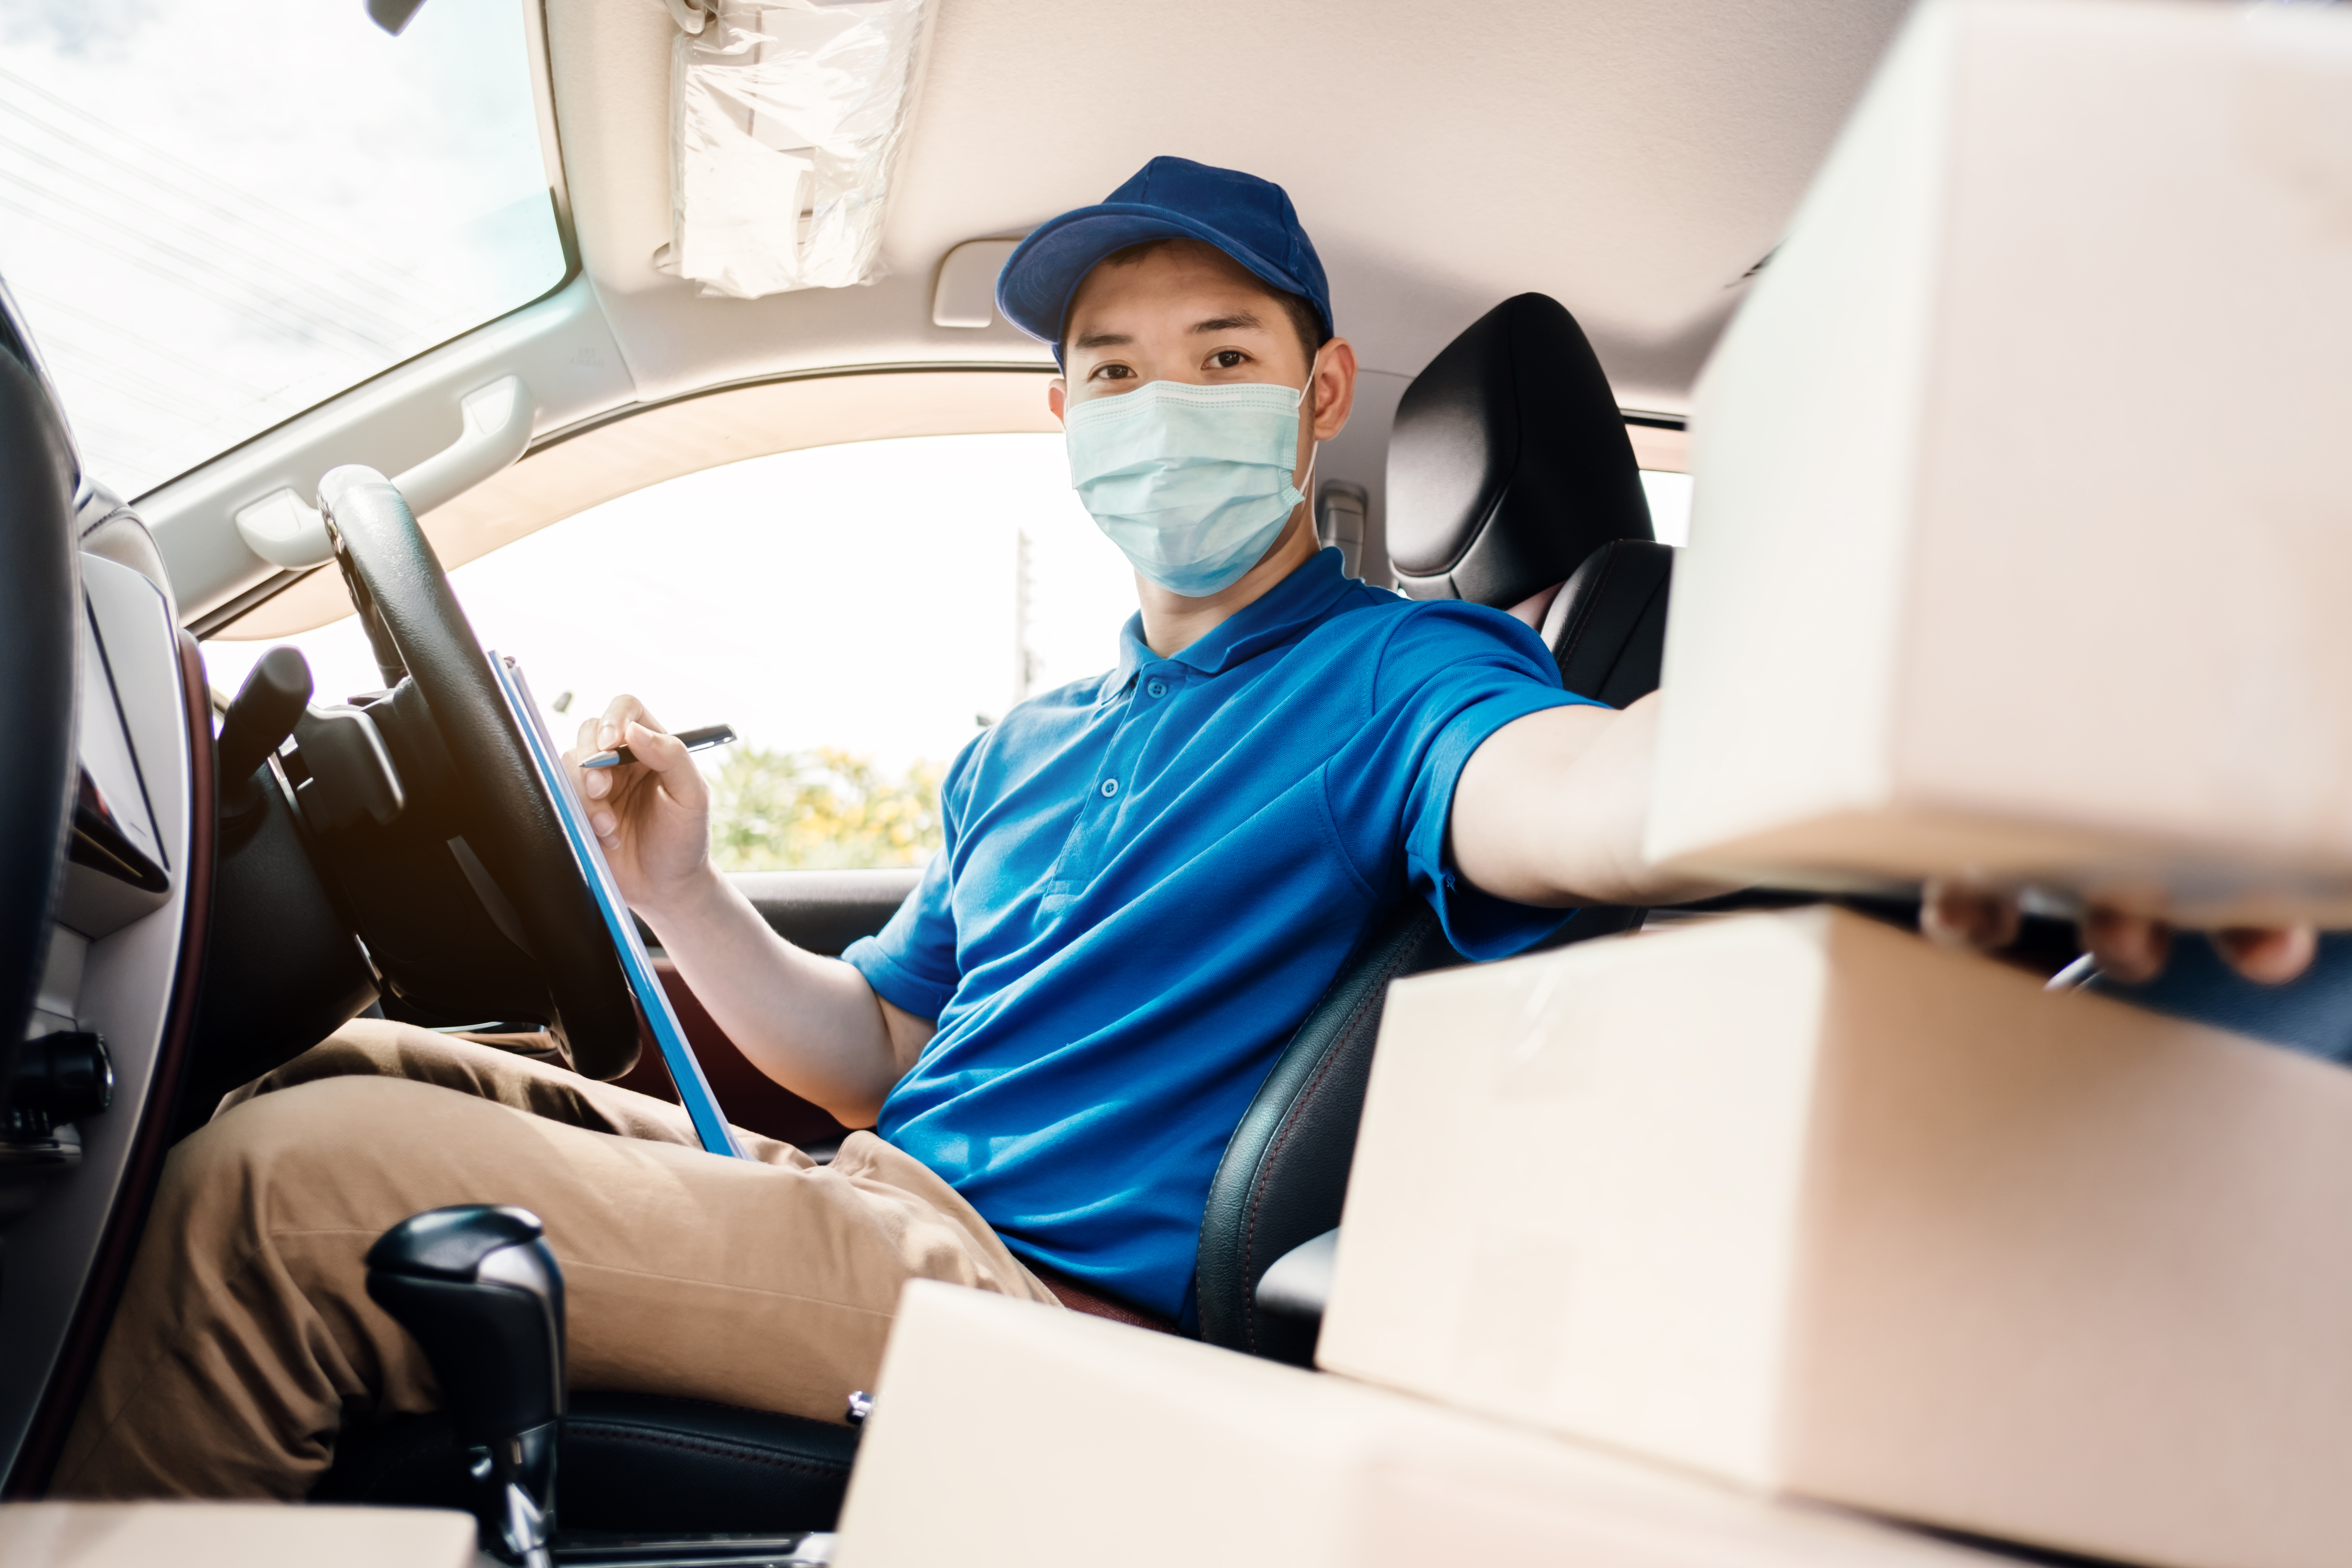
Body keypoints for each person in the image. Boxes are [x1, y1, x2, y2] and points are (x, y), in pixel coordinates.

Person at [55, 157, 2312, 1500]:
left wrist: (1913, 755)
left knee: (286, 1196)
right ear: (1063, 417)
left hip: (1007, 1300)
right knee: (337, 1086)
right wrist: (678, 889)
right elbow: (878, 1050)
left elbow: (1601, 801)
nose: (1163, 410)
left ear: (1320, 396)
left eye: (1222, 358)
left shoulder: (1405, 684)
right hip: (864, 1192)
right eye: (1115, 374)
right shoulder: (1028, 739)